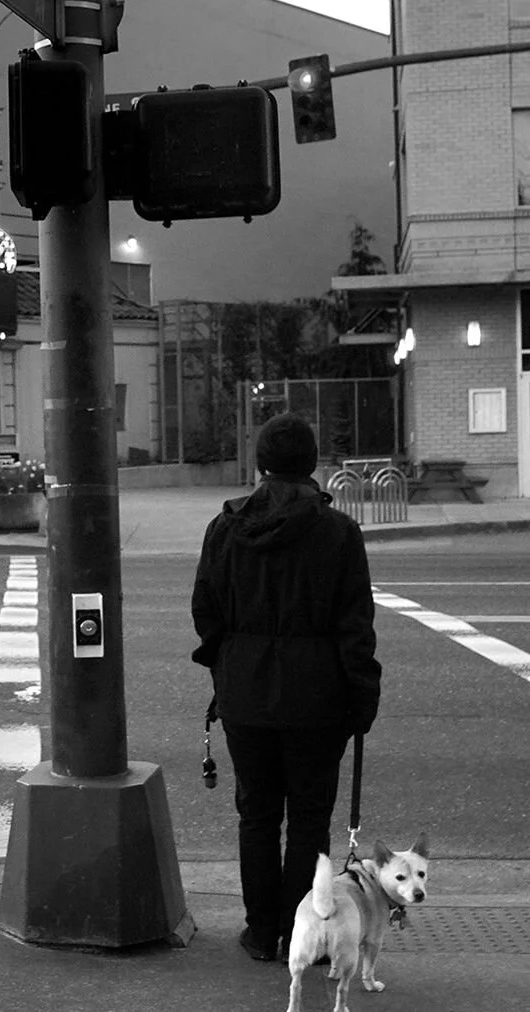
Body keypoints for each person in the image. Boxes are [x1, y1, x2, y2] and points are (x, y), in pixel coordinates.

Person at [190, 412, 381, 962]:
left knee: (256, 815)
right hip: (318, 701)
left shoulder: (225, 530)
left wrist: (228, 664)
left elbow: (206, 610)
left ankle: (261, 932)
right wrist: (361, 695)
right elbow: (355, 627)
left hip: (245, 696)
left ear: (260, 464)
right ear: (313, 465)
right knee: (308, 819)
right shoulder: (339, 534)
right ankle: (305, 931)